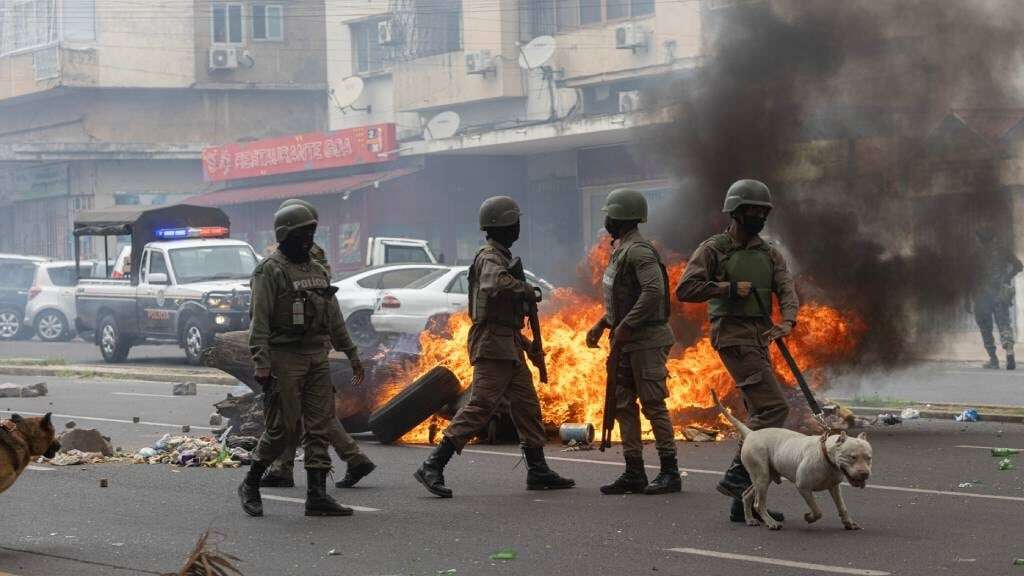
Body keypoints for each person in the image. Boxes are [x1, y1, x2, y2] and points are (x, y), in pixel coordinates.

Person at [413, 196, 575, 498]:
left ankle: (538, 470)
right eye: (514, 223)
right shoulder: (490, 257)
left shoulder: (501, 256)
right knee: (481, 406)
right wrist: (525, 289)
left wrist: (526, 345)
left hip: (507, 343)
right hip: (492, 344)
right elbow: (493, 285)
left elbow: (507, 318)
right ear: (502, 225)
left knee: (527, 407)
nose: (517, 229)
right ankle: (432, 465)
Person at [675, 179, 798, 523]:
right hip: (732, 334)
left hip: (760, 335)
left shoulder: (769, 252)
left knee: (759, 413)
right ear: (736, 211)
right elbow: (686, 288)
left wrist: (788, 320)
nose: (759, 215)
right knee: (773, 407)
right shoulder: (714, 249)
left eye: (763, 211)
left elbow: (786, 288)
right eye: (752, 210)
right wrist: (726, 288)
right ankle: (736, 476)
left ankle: (743, 503)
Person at [238, 202, 365, 517]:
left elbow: (334, 319)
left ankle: (317, 495)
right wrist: (262, 364)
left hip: (315, 355)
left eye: (311, 231)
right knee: (282, 428)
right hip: (284, 357)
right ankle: (251, 483)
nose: (308, 239)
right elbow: (260, 322)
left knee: (319, 426)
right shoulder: (269, 271)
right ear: (284, 236)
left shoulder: (317, 270)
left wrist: (351, 353)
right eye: (301, 233)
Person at [259, 198, 377, 490]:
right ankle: (284, 467)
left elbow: (326, 304)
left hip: (306, 346)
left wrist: (348, 350)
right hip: (298, 346)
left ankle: (350, 458)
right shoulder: (279, 264)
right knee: (298, 413)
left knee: (313, 414)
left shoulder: (309, 257)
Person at [585, 188, 682, 495]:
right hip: (626, 341)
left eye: (610, 214)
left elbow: (652, 293)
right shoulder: (621, 249)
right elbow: (623, 297)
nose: (607, 220)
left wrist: (625, 326)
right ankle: (634, 471)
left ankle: (669, 472)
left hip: (647, 341)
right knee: (624, 404)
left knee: (653, 405)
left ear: (622, 217)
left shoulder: (639, 251)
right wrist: (603, 324)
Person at [971, 223, 1023, 370]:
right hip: (1000, 293)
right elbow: (1019, 266)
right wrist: (1006, 278)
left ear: (980, 240)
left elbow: (969, 279)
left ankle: (993, 360)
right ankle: (1009, 353)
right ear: (994, 238)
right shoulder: (1003, 251)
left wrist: (967, 299)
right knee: (1004, 323)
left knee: (985, 328)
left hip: (982, 296)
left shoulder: (975, 255)